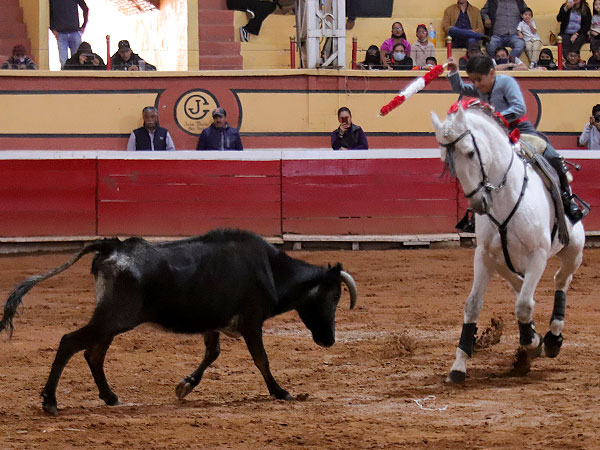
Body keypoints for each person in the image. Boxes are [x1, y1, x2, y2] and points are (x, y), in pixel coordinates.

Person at [445, 54, 584, 223]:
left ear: (491, 73)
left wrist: (495, 118)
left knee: (552, 157)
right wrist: (454, 72)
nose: (476, 85)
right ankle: (480, 212)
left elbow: (519, 108)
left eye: (479, 80)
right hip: (497, 135)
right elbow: (459, 88)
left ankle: (567, 199)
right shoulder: (481, 87)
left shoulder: (506, 82)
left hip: (521, 130)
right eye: (473, 81)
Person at [49, 0, 89, 68]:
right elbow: (49, 13)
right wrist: (52, 28)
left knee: (77, 62)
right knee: (64, 63)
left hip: (74, 32)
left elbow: (85, 8)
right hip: (62, 34)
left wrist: (84, 25)